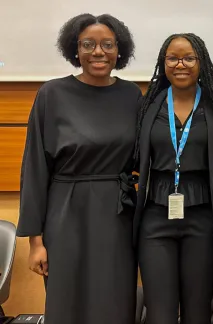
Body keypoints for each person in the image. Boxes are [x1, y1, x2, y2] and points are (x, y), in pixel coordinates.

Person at [16, 13, 141, 324]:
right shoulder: (52, 94)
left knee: (114, 301)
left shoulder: (132, 96)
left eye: (107, 45)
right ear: (75, 50)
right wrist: (35, 242)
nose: (98, 52)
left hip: (117, 218)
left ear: (119, 51)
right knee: (66, 301)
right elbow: (34, 168)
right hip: (65, 214)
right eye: (88, 44)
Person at [133, 33, 213, 324]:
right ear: (163, 63)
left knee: (197, 311)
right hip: (154, 216)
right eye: (173, 58)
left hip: (203, 217)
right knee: (159, 313)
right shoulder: (148, 105)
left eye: (189, 58)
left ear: (201, 62)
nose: (181, 64)